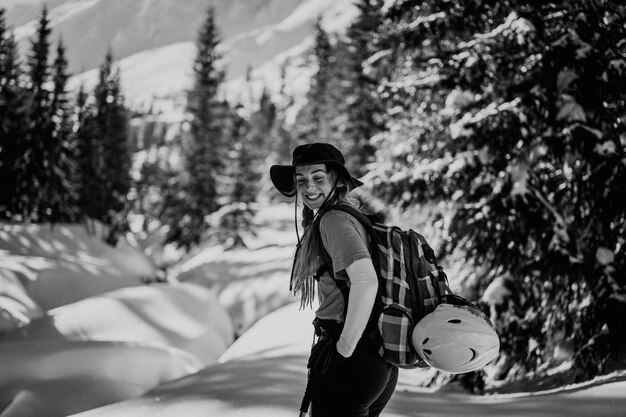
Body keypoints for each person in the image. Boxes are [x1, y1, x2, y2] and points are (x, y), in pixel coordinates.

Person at [270, 143, 398, 417]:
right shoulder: (351, 217)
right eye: (300, 180)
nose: (308, 187)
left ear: (337, 180)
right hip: (376, 357)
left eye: (318, 177)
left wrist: (344, 348)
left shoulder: (333, 221)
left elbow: (366, 280)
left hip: (351, 357)